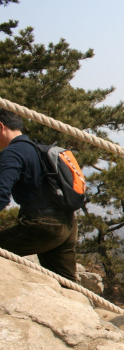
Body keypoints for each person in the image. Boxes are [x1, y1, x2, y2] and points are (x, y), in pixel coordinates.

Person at [0, 109, 78, 282]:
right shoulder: (37, 148)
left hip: (43, 226)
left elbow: (1, 194)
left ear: (1, 127)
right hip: (68, 223)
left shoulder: (12, 153)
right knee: (67, 283)